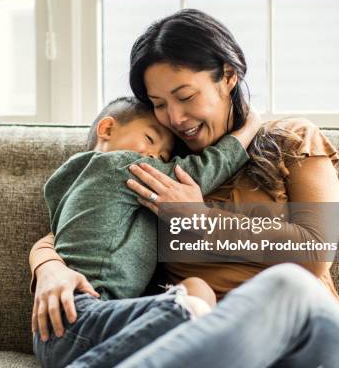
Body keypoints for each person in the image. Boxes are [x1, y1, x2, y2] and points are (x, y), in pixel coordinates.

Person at [30, 9, 339, 367]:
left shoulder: (290, 139)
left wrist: (201, 221)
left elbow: (316, 252)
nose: (175, 119)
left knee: (288, 283)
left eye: (185, 96)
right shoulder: (164, 165)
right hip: (208, 353)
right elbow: (77, 223)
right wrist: (49, 268)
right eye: (160, 105)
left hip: (307, 345)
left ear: (228, 76)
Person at [34, 96, 260, 367]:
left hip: (59, 329)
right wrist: (249, 127)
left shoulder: (67, 184)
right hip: (82, 315)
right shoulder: (119, 166)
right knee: (194, 304)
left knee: (194, 294)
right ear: (106, 129)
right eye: (150, 139)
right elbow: (199, 173)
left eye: (164, 157)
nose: (155, 157)